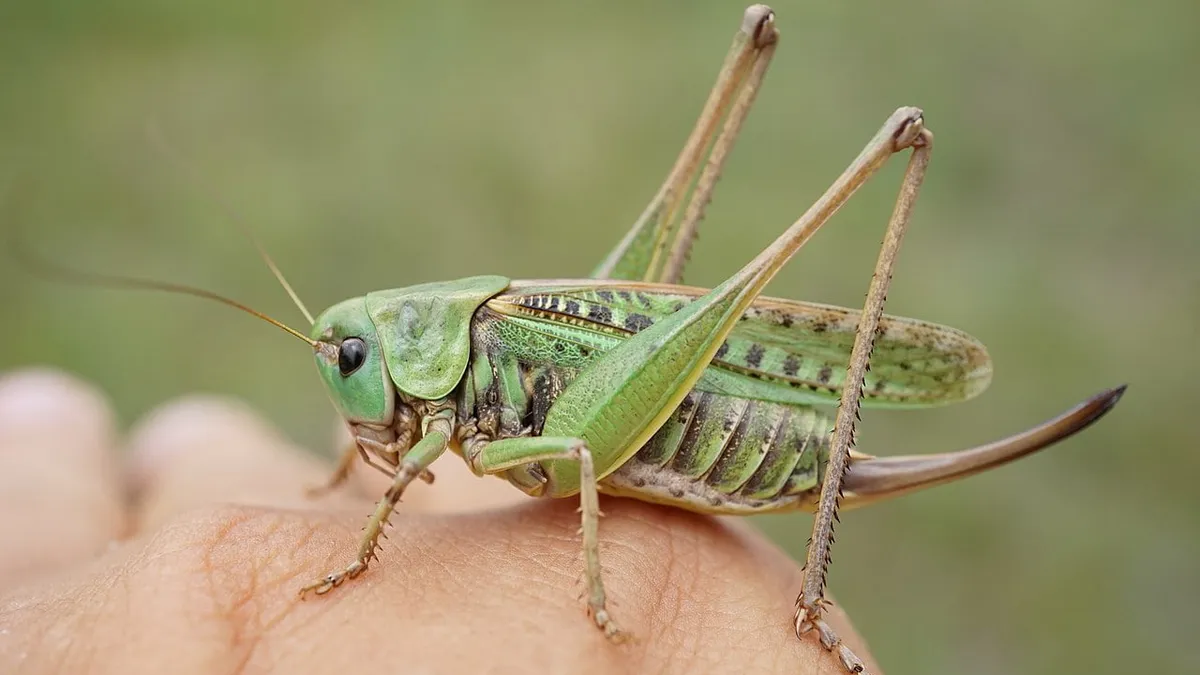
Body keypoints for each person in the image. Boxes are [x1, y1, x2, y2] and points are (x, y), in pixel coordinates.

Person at [0, 369, 876, 673]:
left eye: (354, 361)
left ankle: (805, 611)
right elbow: (404, 453)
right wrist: (349, 466)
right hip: (623, 415)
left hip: (715, 437)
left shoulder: (470, 410)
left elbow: (571, 454)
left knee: (569, 451)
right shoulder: (436, 416)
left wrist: (602, 608)